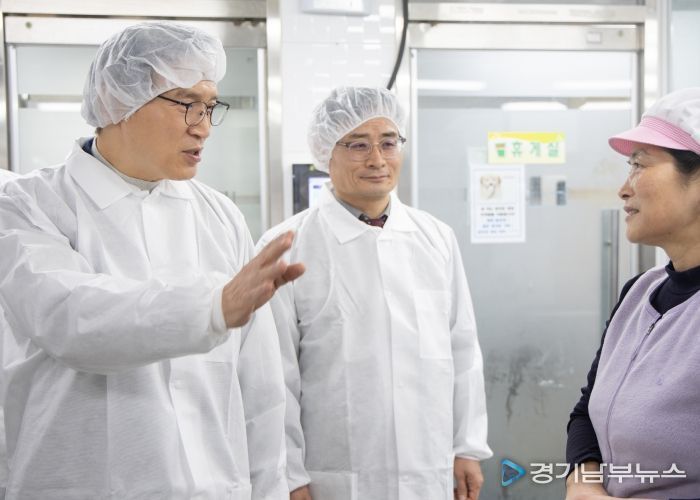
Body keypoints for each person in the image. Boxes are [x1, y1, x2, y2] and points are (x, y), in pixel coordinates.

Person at [0, 22, 304, 499]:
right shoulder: (29, 205)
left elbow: (260, 384)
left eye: (210, 106)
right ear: (115, 99)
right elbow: (70, 319)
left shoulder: (219, 215)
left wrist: (270, 489)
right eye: (186, 102)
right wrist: (211, 308)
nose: (203, 125)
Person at [257, 86, 492, 500]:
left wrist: (467, 447)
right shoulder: (287, 246)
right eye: (358, 145)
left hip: (428, 468)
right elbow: (274, 376)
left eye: (388, 142)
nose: (377, 159)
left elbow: (462, 349)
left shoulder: (436, 238)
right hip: (335, 477)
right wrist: (289, 476)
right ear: (326, 153)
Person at [566, 87, 700, 499]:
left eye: (639, 165)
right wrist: (584, 483)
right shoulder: (641, 292)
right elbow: (586, 411)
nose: (624, 189)